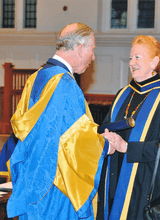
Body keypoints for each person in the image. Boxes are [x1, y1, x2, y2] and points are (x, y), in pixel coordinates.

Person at [7, 22, 119, 220]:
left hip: (34, 180)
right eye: (92, 49)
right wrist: (106, 144)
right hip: (57, 185)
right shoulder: (64, 84)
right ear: (80, 47)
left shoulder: (37, 77)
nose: (93, 57)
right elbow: (73, 140)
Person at [96, 35, 160, 220]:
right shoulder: (123, 94)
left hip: (147, 184)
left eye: (137, 57)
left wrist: (127, 147)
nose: (131, 62)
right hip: (115, 178)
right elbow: (106, 128)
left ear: (154, 62)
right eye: (130, 57)